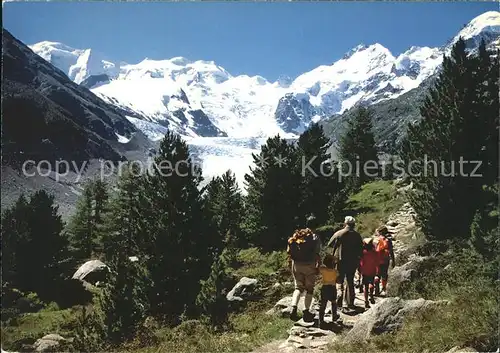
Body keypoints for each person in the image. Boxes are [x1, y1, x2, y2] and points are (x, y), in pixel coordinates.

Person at [287, 215, 321, 322]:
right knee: (309, 289)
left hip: (296, 264)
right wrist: (318, 266)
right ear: (316, 226)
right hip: (309, 265)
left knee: (298, 288)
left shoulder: (298, 235)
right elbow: (317, 253)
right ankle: (306, 312)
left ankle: (293, 307)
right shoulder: (315, 237)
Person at [327, 216, 363, 311]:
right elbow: (361, 249)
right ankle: (350, 302)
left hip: (340, 261)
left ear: (345, 223)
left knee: (339, 281)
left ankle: (339, 302)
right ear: (354, 224)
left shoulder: (339, 233)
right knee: (350, 281)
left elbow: (329, 244)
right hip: (352, 261)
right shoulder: (357, 235)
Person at [318, 254, 340, 327]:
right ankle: (334, 317)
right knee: (333, 302)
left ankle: (321, 320)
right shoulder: (335, 271)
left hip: (325, 288)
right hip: (332, 288)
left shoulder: (323, 269)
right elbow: (338, 279)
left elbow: (318, 267)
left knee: (323, 304)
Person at [374, 226, 395, 296]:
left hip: (377, 259)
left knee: (377, 274)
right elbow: (391, 251)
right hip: (385, 259)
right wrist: (393, 260)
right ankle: (384, 288)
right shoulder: (388, 240)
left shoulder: (376, 240)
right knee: (384, 274)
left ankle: (376, 290)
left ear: (380, 232)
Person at [359, 238, 380, 309]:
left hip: (364, 271)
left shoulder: (363, 253)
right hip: (372, 270)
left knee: (366, 286)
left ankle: (366, 301)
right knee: (371, 283)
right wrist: (377, 272)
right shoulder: (375, 252)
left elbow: (361, 263)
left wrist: (360, 270)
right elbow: (377, 262)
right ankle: (371, 295)